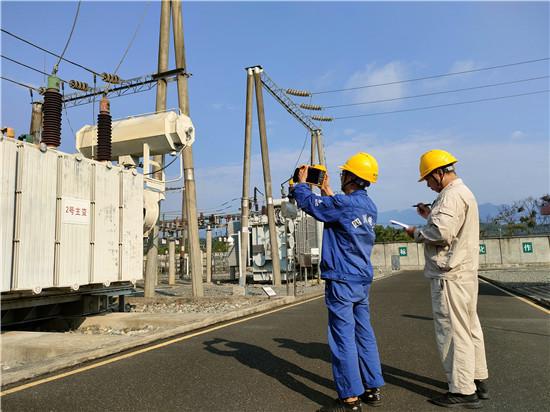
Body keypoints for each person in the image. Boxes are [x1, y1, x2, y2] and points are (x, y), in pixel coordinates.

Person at [292, 152, 384, 412]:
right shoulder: (369, 206)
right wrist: (327, 188)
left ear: (352, 177)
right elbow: (340, 211)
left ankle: (349, 398)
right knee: (364, 333)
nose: (341, 175)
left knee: (342, 336)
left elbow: (313, 206)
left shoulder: (344, 205)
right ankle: (371, 388)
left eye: (344, 173)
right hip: (361, 278)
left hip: (342, 278)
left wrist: (301, 184)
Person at [405, 149, 489, 409]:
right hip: (464, 273)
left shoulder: (450, 196)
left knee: (452, 332)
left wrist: (416, 232)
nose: (428, 185)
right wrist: (429, 215)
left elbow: (441, 233)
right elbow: (446, 226)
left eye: (428, 179)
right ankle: (476, 380)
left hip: (450, 276)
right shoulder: (463, 193)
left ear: (439, 173)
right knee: (469, 328)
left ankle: (463, 390)